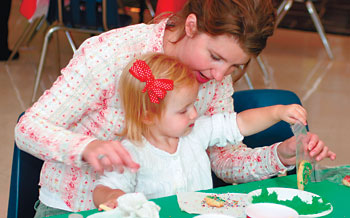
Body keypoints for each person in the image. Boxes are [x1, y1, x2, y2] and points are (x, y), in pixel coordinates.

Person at [14, 0, 336, 216]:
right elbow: (28, 129)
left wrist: (278, 154)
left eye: (236, 65)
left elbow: (222, 159)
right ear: (191, 26)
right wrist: (88, 147)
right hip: (78, 207)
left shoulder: (215, 78)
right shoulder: (112, 53)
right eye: (215, 57)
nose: (220, 76)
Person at [92, 53, 310, 209]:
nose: (194, 114)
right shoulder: (130, 153)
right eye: (182, 110)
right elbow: (103, 188)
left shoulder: (196, 131)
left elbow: (240, 123)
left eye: (193, 104)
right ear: (147, 116)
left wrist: (277, 112)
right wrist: (113, 197)